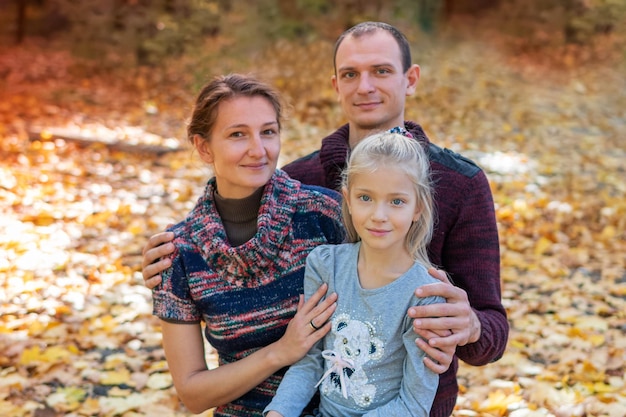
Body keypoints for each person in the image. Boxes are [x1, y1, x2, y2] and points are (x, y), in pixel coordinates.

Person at [143, 21, 509, 416]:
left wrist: (469, 326)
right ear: (336, 84)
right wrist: (170, 258)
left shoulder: (460, 183)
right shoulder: (303, 185)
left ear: (411, 79)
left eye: (381, 71)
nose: (364, 86)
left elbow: (492, 333)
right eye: (351, 74)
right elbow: (229, 222)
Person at [151, 73, 347, 416]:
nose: (259, 150)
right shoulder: (178, 252)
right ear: (203, 146)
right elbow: (193, 394)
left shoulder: (325, 215)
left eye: (268, 132)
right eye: (238, 134)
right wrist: (281, 352)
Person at [265, 132, 446, 417]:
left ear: (418, 208)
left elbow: (414, 404)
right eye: (366, 198)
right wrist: (279, 411)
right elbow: (310, 361)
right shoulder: (325, 265)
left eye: (396, 201)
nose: (379, 215)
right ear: (348, 199)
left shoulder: (425, 295)